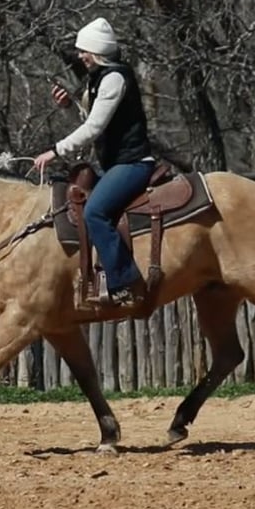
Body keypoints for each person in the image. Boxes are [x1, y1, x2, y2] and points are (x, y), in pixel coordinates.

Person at [34, 17, 155, 308]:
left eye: (84, 50)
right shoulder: (101, 78)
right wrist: (68, 107)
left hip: (133, 163)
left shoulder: (114, 78)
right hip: (117, 164)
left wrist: (55, 150)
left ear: (97, 50)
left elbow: (94, 128)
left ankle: (125, 283)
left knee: (95, 213)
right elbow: (91, 122)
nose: (80, 56)